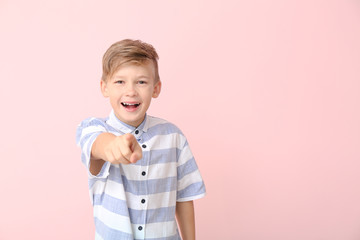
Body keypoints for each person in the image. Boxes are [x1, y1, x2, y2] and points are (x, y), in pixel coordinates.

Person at [76, 39, 206, 240]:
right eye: (120, 81)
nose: (131, 91)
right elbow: (99, 145)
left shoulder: (173, 137)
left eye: (141, 82)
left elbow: (184, 196)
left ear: (156, 88)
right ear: (104, 87)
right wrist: (114, 144)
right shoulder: (93, 129)